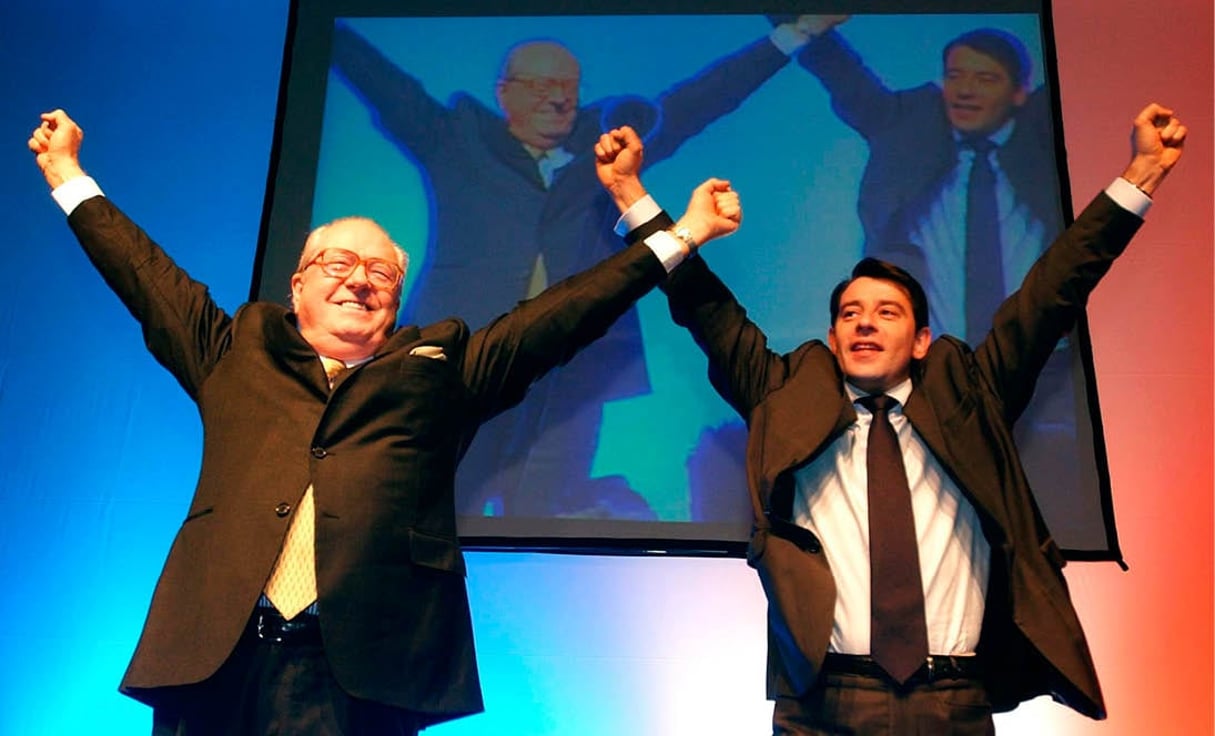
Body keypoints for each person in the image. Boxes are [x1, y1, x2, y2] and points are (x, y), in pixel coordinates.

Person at [28, 112, 739, 734]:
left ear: (397, 301)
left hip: (361, 673)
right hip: (218, 659)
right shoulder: (233, 349)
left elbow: (562, 315)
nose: (359, 279)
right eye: (336, 262)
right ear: (297, 285)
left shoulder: (441, 367)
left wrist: (679, 237)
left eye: (380, 271)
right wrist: (66, 173)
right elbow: (146, 276)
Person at [613, 103, 1185, 732]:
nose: (864, 320)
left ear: (920, 341)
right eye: (851, 312)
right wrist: (632, 194)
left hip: (953, 700)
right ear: (832, 339)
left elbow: (1053, 290)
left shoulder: (971, 396)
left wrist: (1142, 173)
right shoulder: (783, 397)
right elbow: (707, 310)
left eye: (887, 312)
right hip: (822, 702)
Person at [328, 19, 814, 521]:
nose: (557, 99)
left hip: (572, 373)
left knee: (542, 513)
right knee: (434, 507)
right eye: (540, 85)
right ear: (504, 93)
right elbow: (378, 79)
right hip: (465, 364)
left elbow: (700, 100)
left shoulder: (605, 155)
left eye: (567, 86)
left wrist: (795, 35)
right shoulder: (455, 140)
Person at [787, 15, 1106, 554]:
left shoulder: (1040, 134)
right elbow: (848, 81)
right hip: (931, 367)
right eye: (956, 76)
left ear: (1021, 92)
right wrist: (802, 26)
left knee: (1042, 507)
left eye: (985, 79)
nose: (965, 90)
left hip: (1041, 364)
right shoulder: (909, 124)